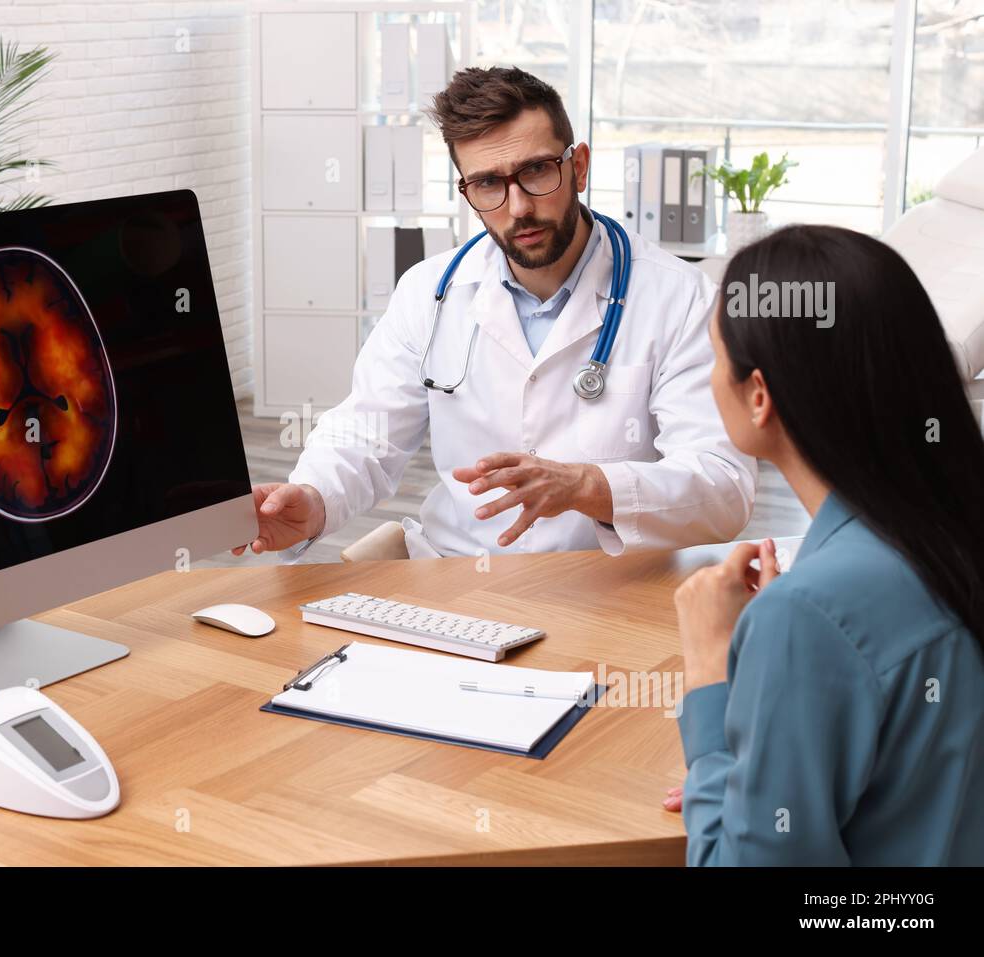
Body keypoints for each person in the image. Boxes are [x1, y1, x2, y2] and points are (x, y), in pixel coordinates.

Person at [234, 66, 755, 560]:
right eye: (488, 184)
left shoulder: (679, 297)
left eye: (535, 171)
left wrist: (588, 486)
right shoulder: (429, 292)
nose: (519, 207)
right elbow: (368, 432)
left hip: (605, 586)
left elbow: (724, 486)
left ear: (578, 166)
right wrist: (313, 497)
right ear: (466, 190)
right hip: (455, 575)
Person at [668, 224, 984, 865]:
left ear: (759, 396)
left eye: (713, 360)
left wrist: (710, 673)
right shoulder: (951, 531)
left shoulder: (807, 615)